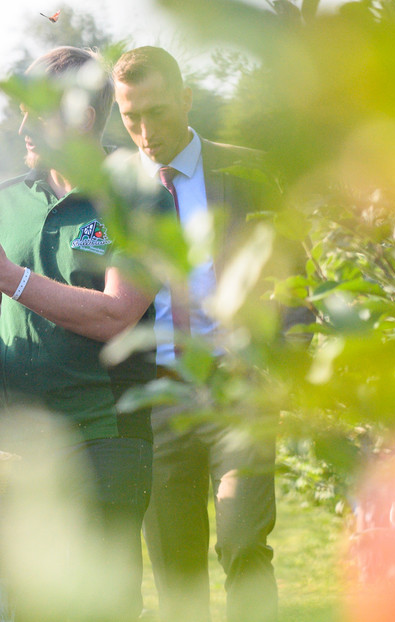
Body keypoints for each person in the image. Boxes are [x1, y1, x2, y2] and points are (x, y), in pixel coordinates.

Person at [0, 47, 159, 620]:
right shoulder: (7, 200)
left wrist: (11, 276)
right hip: (19, 436)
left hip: (106, 431)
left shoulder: (137, 195)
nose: (22, 123)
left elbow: (116, 313)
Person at [112, 46, 278, 622]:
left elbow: (295, 279)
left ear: (186, 99)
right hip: (157, 402)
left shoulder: (247, 171)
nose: (144, 131)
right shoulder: (114, 194)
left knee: (242, 543)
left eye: (156, 112)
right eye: (130, 117)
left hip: (238, 390)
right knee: (176, 569)